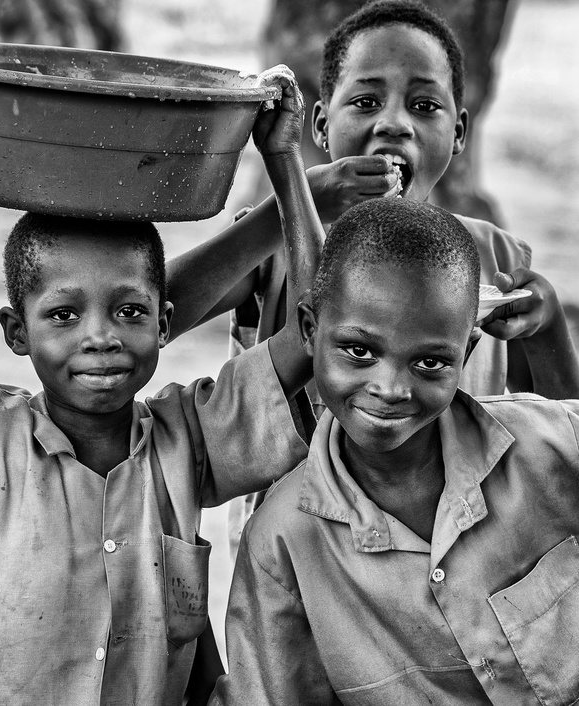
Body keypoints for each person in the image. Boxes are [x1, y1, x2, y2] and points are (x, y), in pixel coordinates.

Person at [0, 42, 320, 704]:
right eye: (63, 315)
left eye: (127, 310)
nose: (100, 337)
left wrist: (281, 157)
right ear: (17, 333)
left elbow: (316, 328)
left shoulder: (192, 440)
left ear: (163, 322)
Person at [210, 0, 579, 557]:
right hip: (301, 563)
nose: (394, 123)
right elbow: (156, 309)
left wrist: (546, 331)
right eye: (365, 101)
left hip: (453, 561)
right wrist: (290, 193)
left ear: (458, 133)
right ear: (320, 125)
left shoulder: (493, 258)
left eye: (424, 105)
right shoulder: (275, 246)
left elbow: (562, 439)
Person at [212, 197, 579, 705]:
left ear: (467, 351)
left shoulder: (555, 445)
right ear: (309, 330)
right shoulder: (282, 544)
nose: (390, 388)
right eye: (359, 351)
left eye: (429, 362)